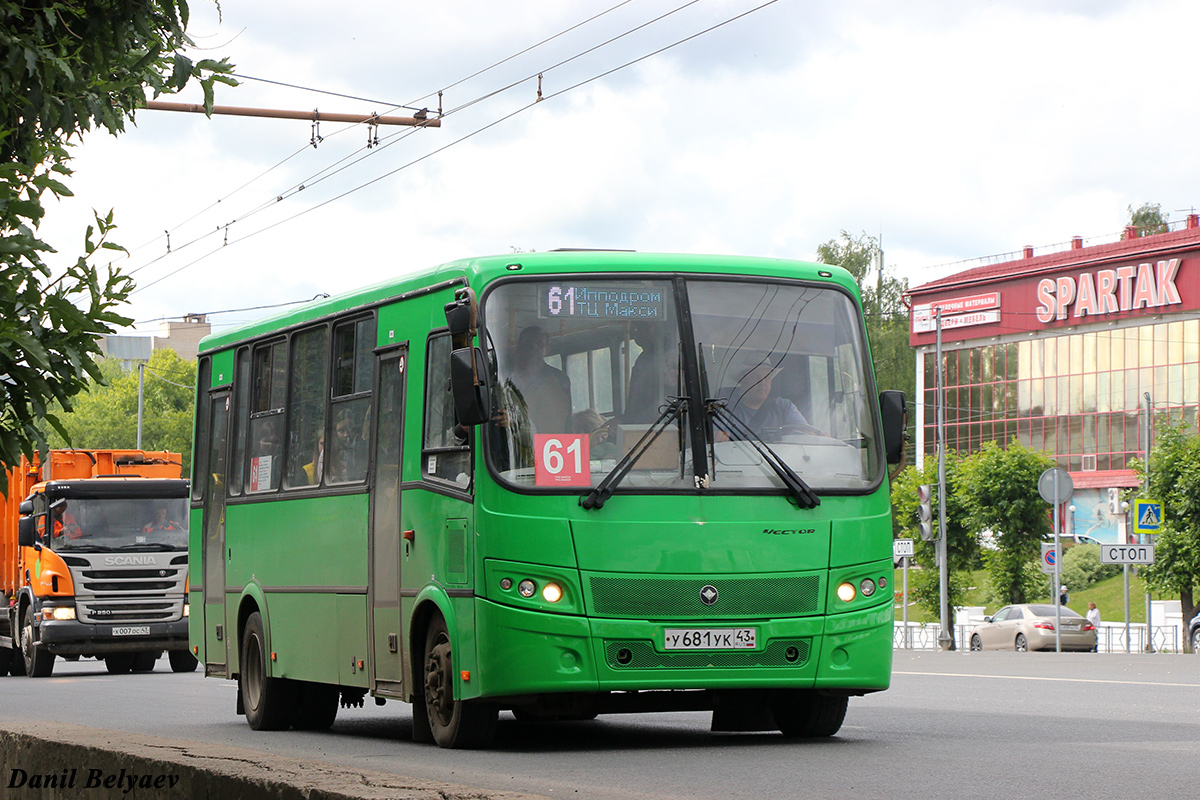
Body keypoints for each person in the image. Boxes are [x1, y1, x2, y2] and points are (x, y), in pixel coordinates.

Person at [715, 361, 814, 441]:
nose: (762, 382)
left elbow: (806, 433)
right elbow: (719, 441)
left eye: (767, 377)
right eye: (755, 376)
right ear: (742, 379)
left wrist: (814, 435)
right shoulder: (724, 409)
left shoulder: (783, 406)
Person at [507, 325, 573, 433]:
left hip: (548, 440)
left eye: (540, 345)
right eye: (529, 345)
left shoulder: (558, 379)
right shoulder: (504, 377)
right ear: (519, 348)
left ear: (547, 349)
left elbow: (562, 421)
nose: (534, 349)